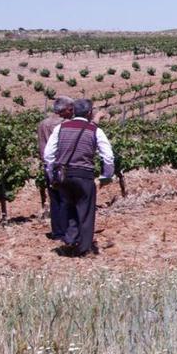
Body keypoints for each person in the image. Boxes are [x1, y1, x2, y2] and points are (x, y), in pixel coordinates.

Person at [43, 99, 115, 257]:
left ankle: (69, 241)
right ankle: (84, 248)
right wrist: (106, 176)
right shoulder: (94, 130)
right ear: (89, 113)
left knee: (68, 207)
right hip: (84, 175)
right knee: (85, 211)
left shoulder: (61, 127)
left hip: (64, 175)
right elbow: (108, 156)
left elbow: (48, 154)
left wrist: (51, 174)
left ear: (73, 111)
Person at [37, 96, 73, 240]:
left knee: (55, 199)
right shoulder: (65, 124)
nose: (72, 112)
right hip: (62, 165)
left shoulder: (42, 124)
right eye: (71, 109)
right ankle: (65, 231)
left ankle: (56, 231)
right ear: (65, 110)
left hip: (47, 165)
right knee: (66, 199)